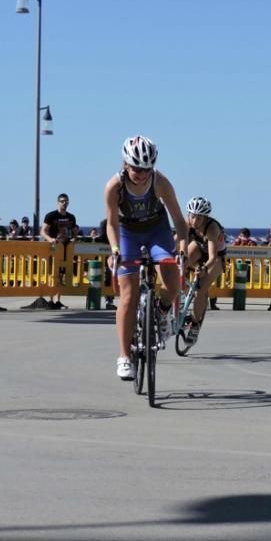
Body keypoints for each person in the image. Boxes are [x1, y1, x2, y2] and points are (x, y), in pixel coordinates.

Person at [105, 135, 187, 381]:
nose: (141, 175)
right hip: (127, 233)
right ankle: (123, 356)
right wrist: (115, 250)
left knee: (172, 282)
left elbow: (180, 222)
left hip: (156, 230)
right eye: (136, 169)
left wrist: (181, 249)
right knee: (128, 296)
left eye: (146, 170)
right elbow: (111, 223)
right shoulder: (114, 186)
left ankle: (161, 312)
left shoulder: (160, 182)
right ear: (125, 164)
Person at [183, 196, 226, 344]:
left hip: (215, 258)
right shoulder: (187, 221)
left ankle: (195, 325)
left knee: (199, 289)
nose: (195, 221)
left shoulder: (212, 228)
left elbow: (213, 257)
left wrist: (203, 269)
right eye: (193, 216)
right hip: (199, 247)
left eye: (199, 218)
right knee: (177, 267)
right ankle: (181, 301)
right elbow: (176, 241)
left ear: (206, 217)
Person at [41, 193, 79, 308]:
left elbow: (74, 232)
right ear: (58, 202)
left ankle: (57, 300)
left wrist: (74, 237)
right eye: (62, 201)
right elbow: (43, 231)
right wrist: (50, 239)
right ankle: (50, 300)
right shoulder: (51, 216)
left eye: (66, 201)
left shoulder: (71, 217)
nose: (64, 203)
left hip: (65, 248)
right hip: (54, 247)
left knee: (61, 274)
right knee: (52, 274)